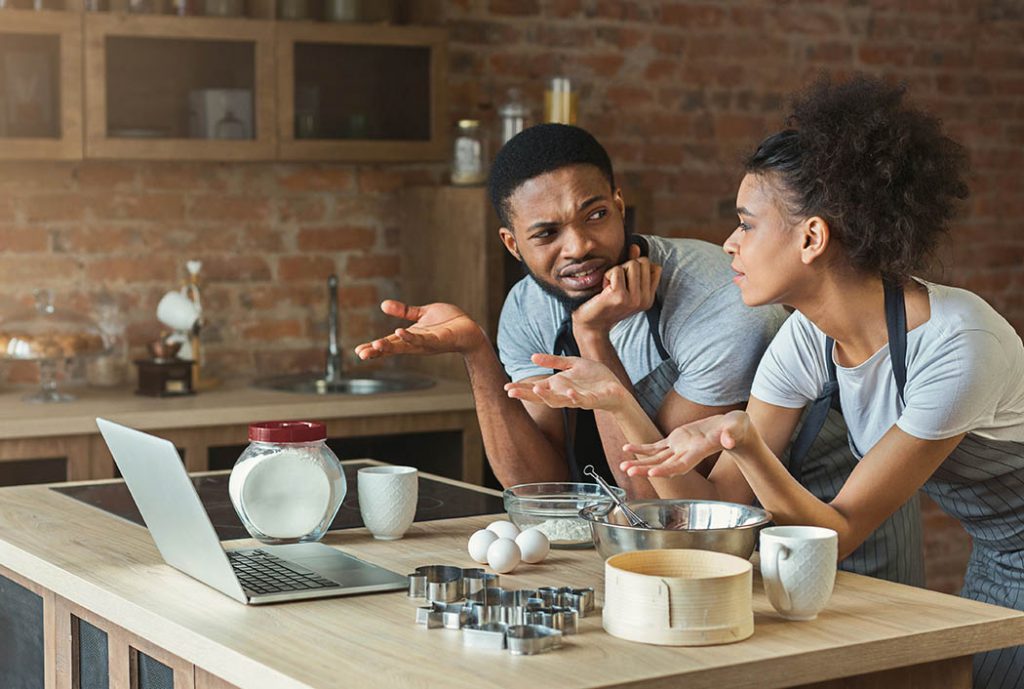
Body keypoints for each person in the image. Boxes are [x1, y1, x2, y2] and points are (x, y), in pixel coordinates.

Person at [507, 76, 1024, 688]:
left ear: (812, 238)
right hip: (999, 547)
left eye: (747, 224)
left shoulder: (957, 345)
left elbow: (840, 533)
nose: (729, 242)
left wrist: (745, 441)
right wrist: (618, 400)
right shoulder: (805, 339)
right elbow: (716, 512)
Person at [356, 122, 922, 585]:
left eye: (595, 214)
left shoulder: (719, 303)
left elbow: (662, 497)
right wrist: (476, 354)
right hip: (717, 550)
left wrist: (595, 340)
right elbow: (544, 489)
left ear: (620, 206)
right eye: (547, 233)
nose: (578, 246)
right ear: (513, 243)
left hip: (835, 538)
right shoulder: (528, 308)